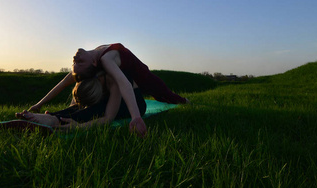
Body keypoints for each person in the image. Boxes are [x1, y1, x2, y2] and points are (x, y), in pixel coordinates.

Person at [16, 43, 188, 136]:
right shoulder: (85, 69)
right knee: (84, 106)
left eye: (78, 63)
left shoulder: (106, 62)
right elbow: (60, 85)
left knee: (167, 95)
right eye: (74, 63)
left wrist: (136, 117)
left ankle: (54, 120)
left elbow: (124, 85)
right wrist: (38, 105)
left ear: (93, 64)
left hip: (143, 82)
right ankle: (48, 118)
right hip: (119, 92)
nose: (74, 62)